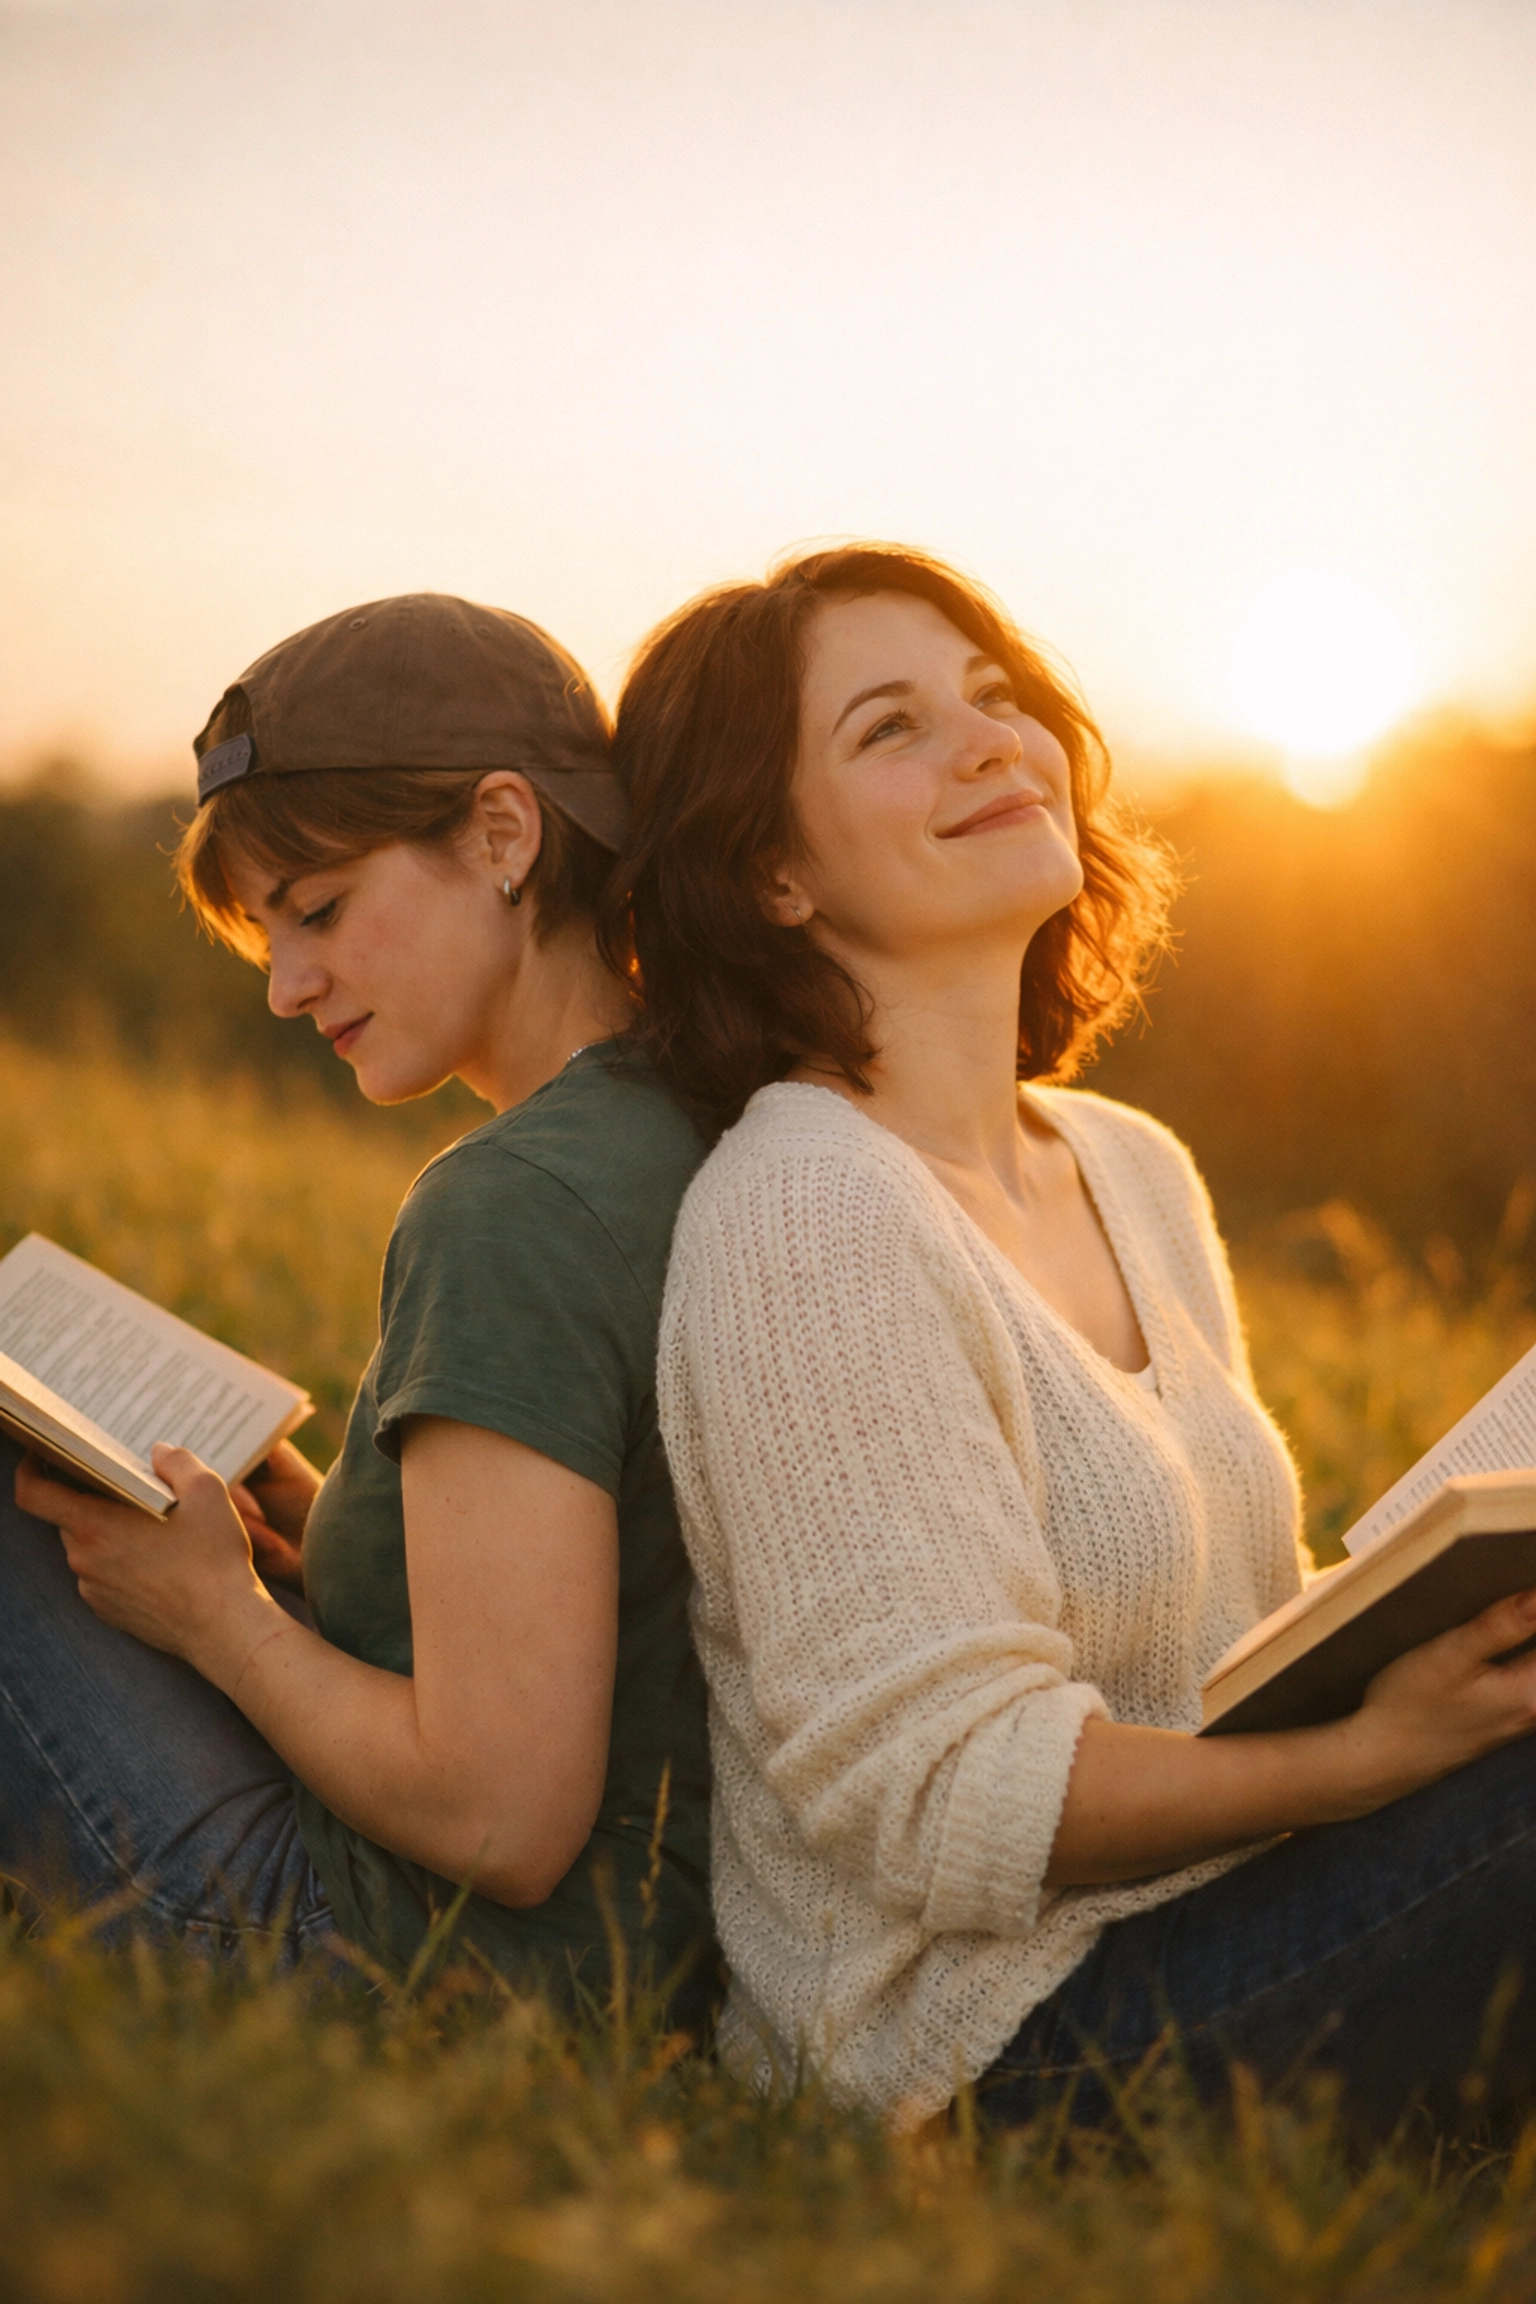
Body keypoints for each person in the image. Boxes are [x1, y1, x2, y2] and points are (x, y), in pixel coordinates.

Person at [606, 542, 1536, 2140]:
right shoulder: (808, 1211)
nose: (990, 741)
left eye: (994, 696)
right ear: (773, 874)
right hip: (991, 2059)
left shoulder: (1129, 1164)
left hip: (1229, 1903)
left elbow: (1206, 1658)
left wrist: (1426, 1621)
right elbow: (955, 1791)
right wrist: (1375, 1763)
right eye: (889, 728)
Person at [3, 592, 714, 2024]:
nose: (285, 986)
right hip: (651, 1957)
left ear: (504, 836)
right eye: (267, 934)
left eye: (319, 911)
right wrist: (316, 1539)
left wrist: (219, 1618)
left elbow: (503, 1823)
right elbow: (597, 1615)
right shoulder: (693, 1123)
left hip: (400, 1963)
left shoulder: (510, 1203)